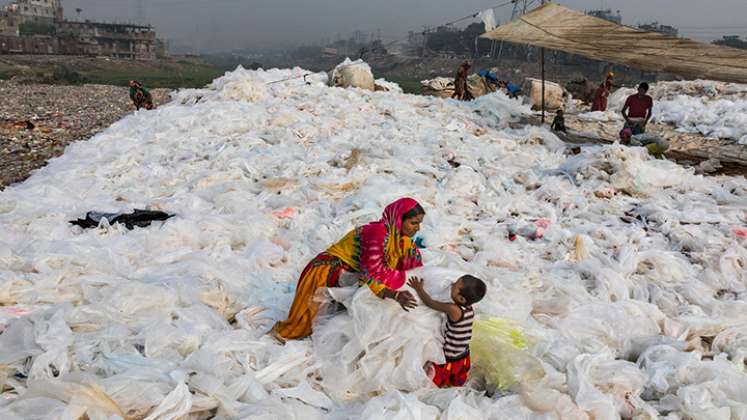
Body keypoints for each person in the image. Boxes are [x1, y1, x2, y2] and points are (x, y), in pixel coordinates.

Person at [271, 198, 425, 341]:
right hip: (326, 272)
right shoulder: (378, 233)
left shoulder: (403, 241)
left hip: (348, 275)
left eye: (419, 223)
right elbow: (369, 272)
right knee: (299, 328)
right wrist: (395, 295)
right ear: (399, 219)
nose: (417, 228)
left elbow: (414, 269)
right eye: (413, 223)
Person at [408, 274, 486, 388]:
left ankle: (439, 381)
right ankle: (454, 381)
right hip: (462, 353)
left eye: (456, 285)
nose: (452, 284)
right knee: (456, 376)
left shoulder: (454, 309)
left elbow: (430, 303)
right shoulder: (469, 309)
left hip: (450, 355)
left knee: (434, 378)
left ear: (461, 298)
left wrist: (419, 288)